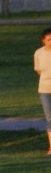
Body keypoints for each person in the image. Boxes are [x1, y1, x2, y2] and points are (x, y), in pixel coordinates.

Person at [34, 28, 51, 156]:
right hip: (45, 89)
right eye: (49, 40)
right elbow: (39, 70)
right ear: (43, 40)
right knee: (49, 119)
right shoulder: (38, 53)